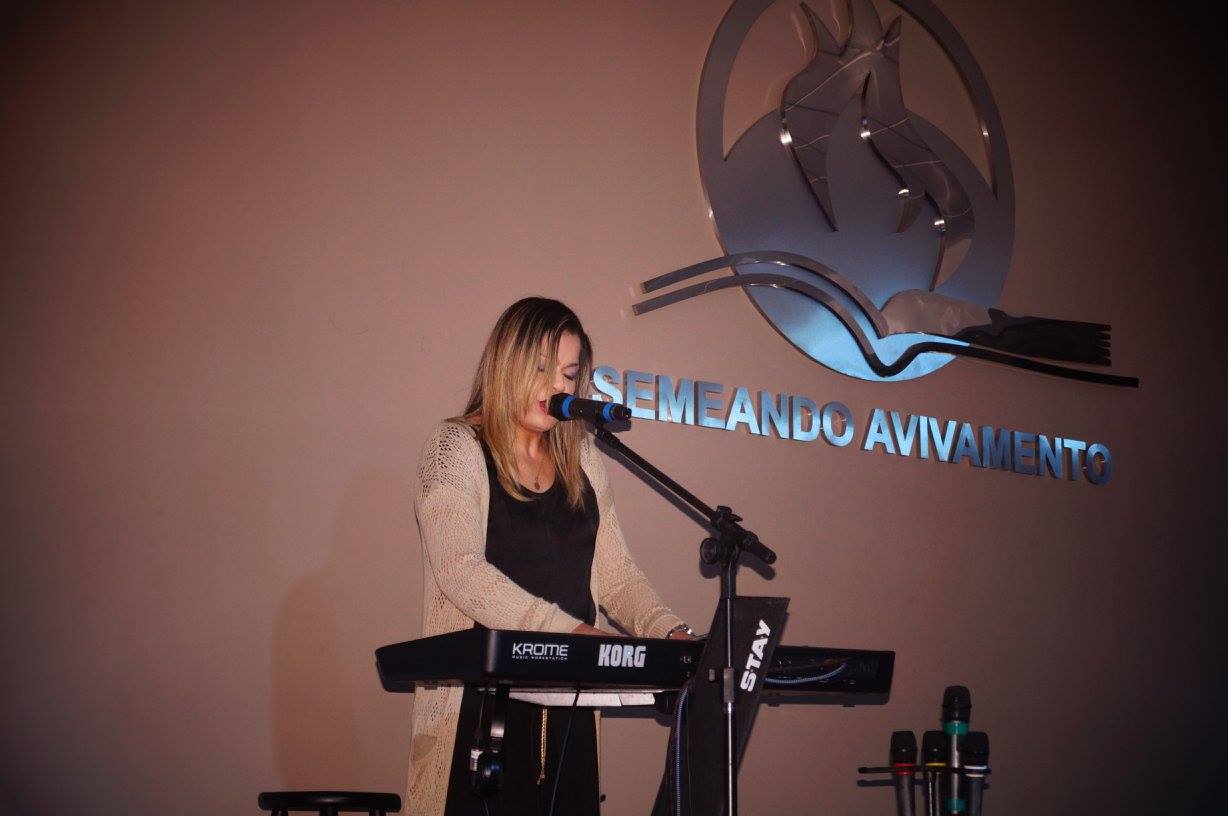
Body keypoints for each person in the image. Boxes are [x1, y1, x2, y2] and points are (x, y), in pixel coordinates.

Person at [408, 297, 693, 816]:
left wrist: (671, 634)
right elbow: (461, 572)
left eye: (568, 373)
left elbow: (615, 575)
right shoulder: (455, 447)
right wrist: (568, 633)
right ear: (506, 363)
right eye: (542, 368)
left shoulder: (581, 456)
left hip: (570, 706)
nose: (557, 386)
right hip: (480, 710)